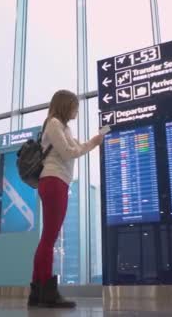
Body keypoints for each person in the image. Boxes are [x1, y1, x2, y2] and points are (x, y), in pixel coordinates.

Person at [28, 90, 104, 308]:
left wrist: (84, 144)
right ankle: (47, 293)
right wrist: (91, 143)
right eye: (74, 105)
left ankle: (38, 292)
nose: (77, 110)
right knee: (49, 239)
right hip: (53, 181)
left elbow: (73, 148)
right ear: (65, 105)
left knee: (48, 238)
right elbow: (70, 152)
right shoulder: (53, 124)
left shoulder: (64, 128)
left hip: (58, 182)